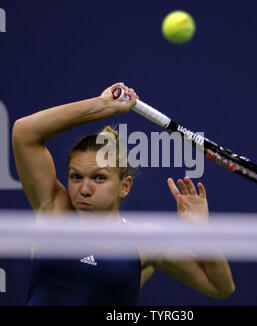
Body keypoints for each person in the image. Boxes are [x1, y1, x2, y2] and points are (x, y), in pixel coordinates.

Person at [12, 82, 235, 305]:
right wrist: (101, 106)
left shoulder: (144, 241)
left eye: (99, 178)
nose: (84, 189)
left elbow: (220, 288)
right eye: (76, 177)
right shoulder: (54, 212)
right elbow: (24, 132)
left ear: (124, 186)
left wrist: (204, 233)